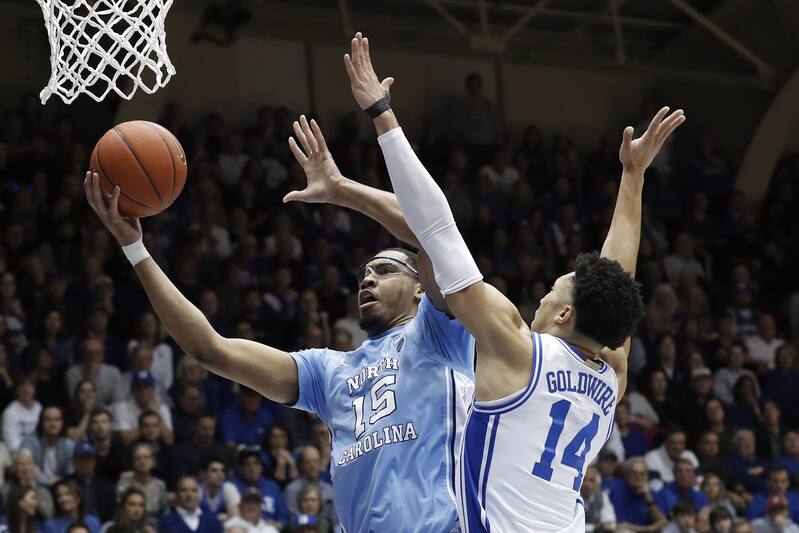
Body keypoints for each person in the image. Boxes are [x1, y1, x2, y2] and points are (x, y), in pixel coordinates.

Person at [84, 81, 476, 533]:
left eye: (385, 270)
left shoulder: (440, 330)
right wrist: (135, 248)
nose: (368, 278)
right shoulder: (329, 372)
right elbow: (211, 349)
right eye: (364, 273)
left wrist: (341, 189)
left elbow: (432, 232)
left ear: (420, 290)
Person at [342, 31, 684, 532]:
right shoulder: (611, 373)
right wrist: (632, 178)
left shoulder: (518, 349)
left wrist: (382, 115)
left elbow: (437, 228)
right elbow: (618, 278)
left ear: (565, 315)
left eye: (551, 291)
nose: (541, 298)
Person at [230, 447, 288, 529]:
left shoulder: (272, 487)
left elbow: (284, 518)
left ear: (261, 467)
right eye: (247, 464)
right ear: (241, 468)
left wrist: (278, 524)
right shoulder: (232, 486)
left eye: (256, 464)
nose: (252, 468)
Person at [112, 371, 174, 445]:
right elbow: (125, 438)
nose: (142, 391)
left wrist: (157, 413)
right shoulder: (122, 407)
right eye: (138, 387)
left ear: (153, 389)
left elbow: (169, 440)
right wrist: (149, 412)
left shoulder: (162, 408)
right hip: (132, 449)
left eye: (146, 387)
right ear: (132, 389)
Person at [608, 458, 668, 532]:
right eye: (634, 473)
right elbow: (621, 526)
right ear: (626, 475)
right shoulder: (616, 492)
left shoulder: (651, 493)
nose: (638, 477)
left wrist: (648, 498)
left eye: (642, 474)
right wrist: (651, 528)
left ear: (647, 477)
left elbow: (663, 523)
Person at [21, 405, 75, 484]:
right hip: (37, 487)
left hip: (62, 488)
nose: (53, 424)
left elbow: (70, 474)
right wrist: (49, 482)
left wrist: (54, 482)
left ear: (62, 423)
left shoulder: (69, 445)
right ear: (41, 422)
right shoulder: (30, 442)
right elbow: (26, 470)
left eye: (57, 420)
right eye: (48, 420)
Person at [283, 447, 336, 526]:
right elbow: (293, 519)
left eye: (315, 461)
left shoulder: (329, 490)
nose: (312, 466)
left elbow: (336, 521)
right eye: (308, 462)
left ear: (320, 463)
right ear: (301, 465)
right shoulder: (291, 489)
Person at [115, 443, 168, 520]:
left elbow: (165, 513)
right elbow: (119, 511)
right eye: (138, 458)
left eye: (146, 457)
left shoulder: (160, 485)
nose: (142, 461)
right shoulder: (124, 483)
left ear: (153, 461)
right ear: (132, 461)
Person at [65, 339, 123, 407]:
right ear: (83, 355)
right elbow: (75, 402)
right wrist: (91, 375)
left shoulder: (114, 372)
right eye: (89, 353)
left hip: (107, 414)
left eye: (97, 353)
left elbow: (118, 401)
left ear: (103, 355)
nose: (93, 357)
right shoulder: (72, 373)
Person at [67, 442, 116, 523]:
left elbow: (111, 515)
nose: (85, 463)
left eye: (89, 459)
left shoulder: (107, 487)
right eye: (81, 459)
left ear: (95, 462)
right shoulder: (66, 484)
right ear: (74, 461)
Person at [87, 408, 127, 483]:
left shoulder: (122, 448)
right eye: (95, 422)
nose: (100, 426)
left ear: (111, 425)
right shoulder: (86, 448)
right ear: (90, 427)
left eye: (104, 422)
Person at [2, 376, 42, 451]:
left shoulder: (40, 408)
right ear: (17, 390)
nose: (26, 389)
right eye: (22, 386)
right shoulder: (10, 412)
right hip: (18, 453)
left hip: (39, 451)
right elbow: (11, 443)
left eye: (30, 385)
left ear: (34, 389)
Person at [198, 455, 240, 522]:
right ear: (203, 474)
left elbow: (235, 517)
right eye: (214, 471)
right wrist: (219, 518)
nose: (220, 475)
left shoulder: (228, 488)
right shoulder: (196, 490)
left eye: (222, 471)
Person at [581, 465, 616, 532]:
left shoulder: (602, 496)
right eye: (584, 479)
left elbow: (610, 521)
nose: (587, 484)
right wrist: (594, 527)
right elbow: (573, 525)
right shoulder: (573, 497)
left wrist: (606, 525)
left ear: (596, 484)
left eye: (591, 480)